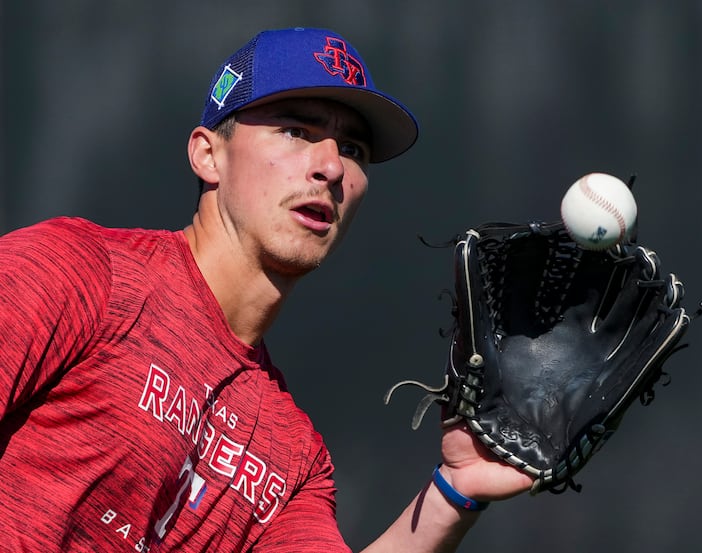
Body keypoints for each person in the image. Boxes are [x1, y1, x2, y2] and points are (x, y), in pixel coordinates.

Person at [0, 27, 532, 552]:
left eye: (353, 148)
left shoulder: (293, 455)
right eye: (296, 131)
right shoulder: (79, 272)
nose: (330, 166)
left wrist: (454, 492)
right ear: (209, 155)